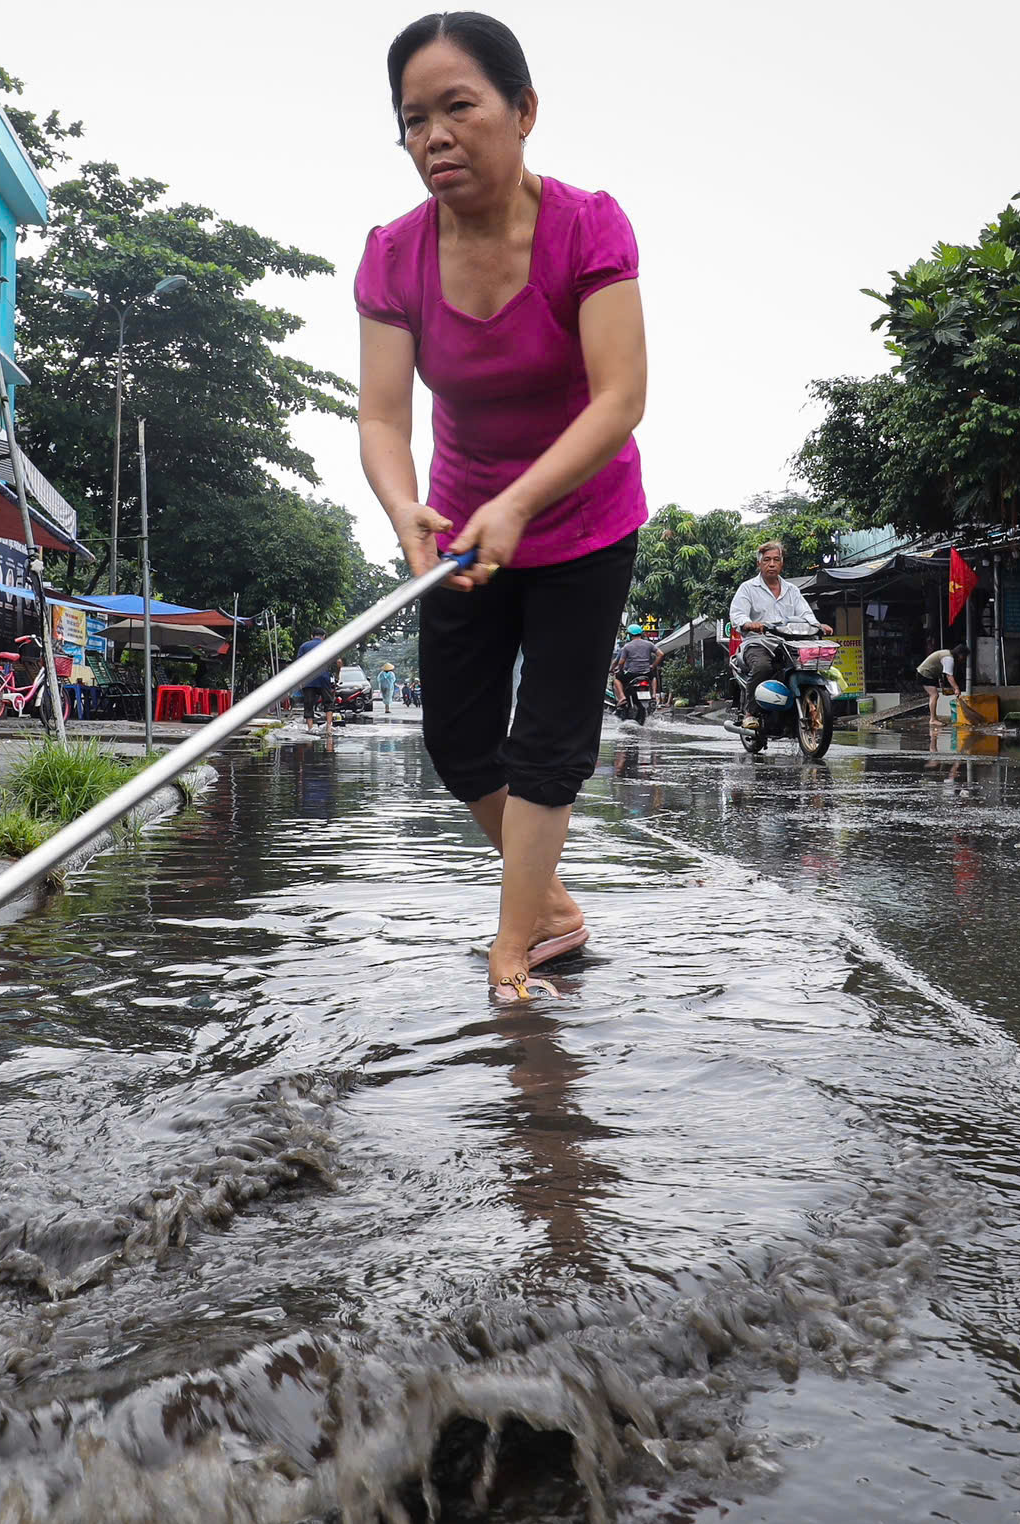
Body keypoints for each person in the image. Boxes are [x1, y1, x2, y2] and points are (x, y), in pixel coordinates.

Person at [357, 11, 648, 1005]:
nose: (433, 136)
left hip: (583, 518)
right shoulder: (393, 256)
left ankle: (513, 947)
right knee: (460, 740)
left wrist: (525, 500)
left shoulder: (587, 225)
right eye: (411, 120)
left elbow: (619, 397)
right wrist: (404, 509)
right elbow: (383, 418)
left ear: (521, 111)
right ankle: (552, 904)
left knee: (547, 744)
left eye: (456, 108)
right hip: (462, 528)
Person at [726, 542, 825, 726]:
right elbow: (737, 613)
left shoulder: (792, 590)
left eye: (776, 560)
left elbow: (805, 614)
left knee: (810, 665)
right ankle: (751, 713)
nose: (771, 564)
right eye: (767, 560)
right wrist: (748, 623)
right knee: (763, 667)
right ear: (759, 564)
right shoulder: (747, 588)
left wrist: (818, 625)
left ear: (782, 564)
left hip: (789, 642)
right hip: (758, 642)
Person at [609, 623, 660, 711]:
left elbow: (620, 662)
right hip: (646, 674)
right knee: (653, 676)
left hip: (632, 674)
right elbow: (661, 654)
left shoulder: (627, 647)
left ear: (629, 635)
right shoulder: (649, 644)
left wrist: (619, 670)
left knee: (616, 678)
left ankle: (622, 698)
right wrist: (653, 665)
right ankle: (654, 695)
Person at [916, 643, 961, 715]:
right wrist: (956, 688)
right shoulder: (949, 658)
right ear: (960, 654)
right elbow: (949, 676)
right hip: (925, 673)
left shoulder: (947, 653)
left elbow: (939, 666)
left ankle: (933, 718)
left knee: (934, 695)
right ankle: (933, 719)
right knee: (934, 695)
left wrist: (941, 682)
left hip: (928, 673)